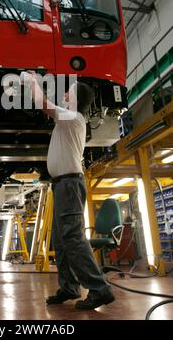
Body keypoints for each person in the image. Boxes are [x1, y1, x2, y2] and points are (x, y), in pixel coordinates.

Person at [22, 71, 115, 310]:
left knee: (72, 237)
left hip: (69, 184)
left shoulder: (73, 117)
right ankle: (69, 287)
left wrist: (33, 81)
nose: (65, 94)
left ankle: (99, 288)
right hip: (63, 185)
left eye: (69, 92)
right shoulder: (69, 118)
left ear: (77, 100)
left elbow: (43, 104)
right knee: (61, 240)